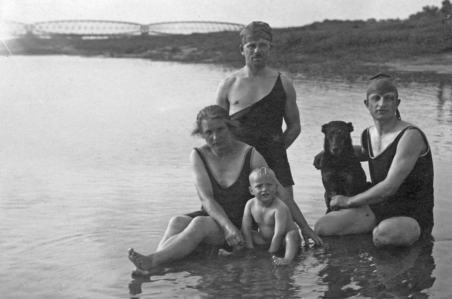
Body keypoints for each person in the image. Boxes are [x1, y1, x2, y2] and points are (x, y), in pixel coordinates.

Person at [128, 105, 321, 276]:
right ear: (201, 134)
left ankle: (152, 261)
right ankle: (154, 264)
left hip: (241, 225)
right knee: (177, 221)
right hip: (218, 219)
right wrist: (225, 225)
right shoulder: (198, 155)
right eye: (208, 132)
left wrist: (304, 226)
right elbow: (206, 199)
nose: (215, 137)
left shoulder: (250, 154)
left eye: (220, 130)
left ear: (230, 127)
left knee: (199, 224)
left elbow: (280, 192)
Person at [314, 75, 434, 247]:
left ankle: (415, 251)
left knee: (384, 235)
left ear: (397, 103)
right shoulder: (368, 135)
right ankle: (360, 256)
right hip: (378, 207)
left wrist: (349, 201)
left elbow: (389, 188)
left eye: (389, 98)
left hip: (412, 213)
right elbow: (364, 152)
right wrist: (326, 153)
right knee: (323, 227)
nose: (382, 103)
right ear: (367, 104)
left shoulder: (410, 136)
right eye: (376, 98)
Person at [215, 21, 300, 197]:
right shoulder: (228, 85)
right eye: (251, 45)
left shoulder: (284, 83)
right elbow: (217, 130)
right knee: (240, 219)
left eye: (262, 45)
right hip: (238, 163)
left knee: (284, 216)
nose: (257, 50)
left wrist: (276, 151)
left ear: (271, 48)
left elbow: (294, 127)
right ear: (242, 49)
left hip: (275, 161)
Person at [242, 167, 301, 266]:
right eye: (259, 186)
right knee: (244, 233)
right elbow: (246, 228)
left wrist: (270, 254)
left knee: (292, 235)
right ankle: (237, 253)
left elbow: (279, 234)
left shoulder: (279, 208)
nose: (265, 189)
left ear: (276, 187)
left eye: (269, 185)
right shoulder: (250, 204)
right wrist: (250, 249)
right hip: (265, 240)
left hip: (283, 241)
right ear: (251, 190)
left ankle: (287, 259)